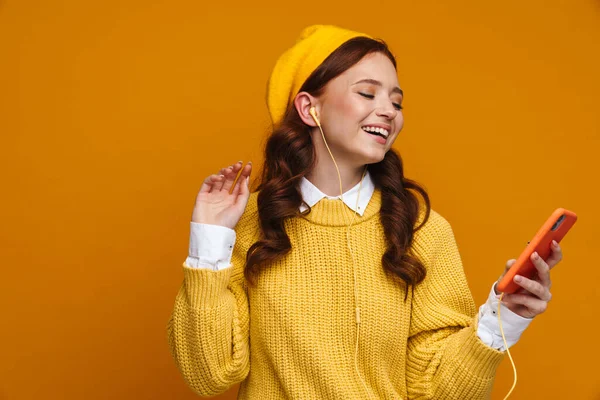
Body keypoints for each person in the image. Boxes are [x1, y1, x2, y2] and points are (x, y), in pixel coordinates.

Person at [166, 25, 562, 399]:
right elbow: (209, 374)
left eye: (396, 101)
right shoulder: (251, 222)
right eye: (368, 94)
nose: (389, 111)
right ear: (309, 108)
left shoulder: (421, 228)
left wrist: (502, 319)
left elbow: (437, 391)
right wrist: (210, 238)